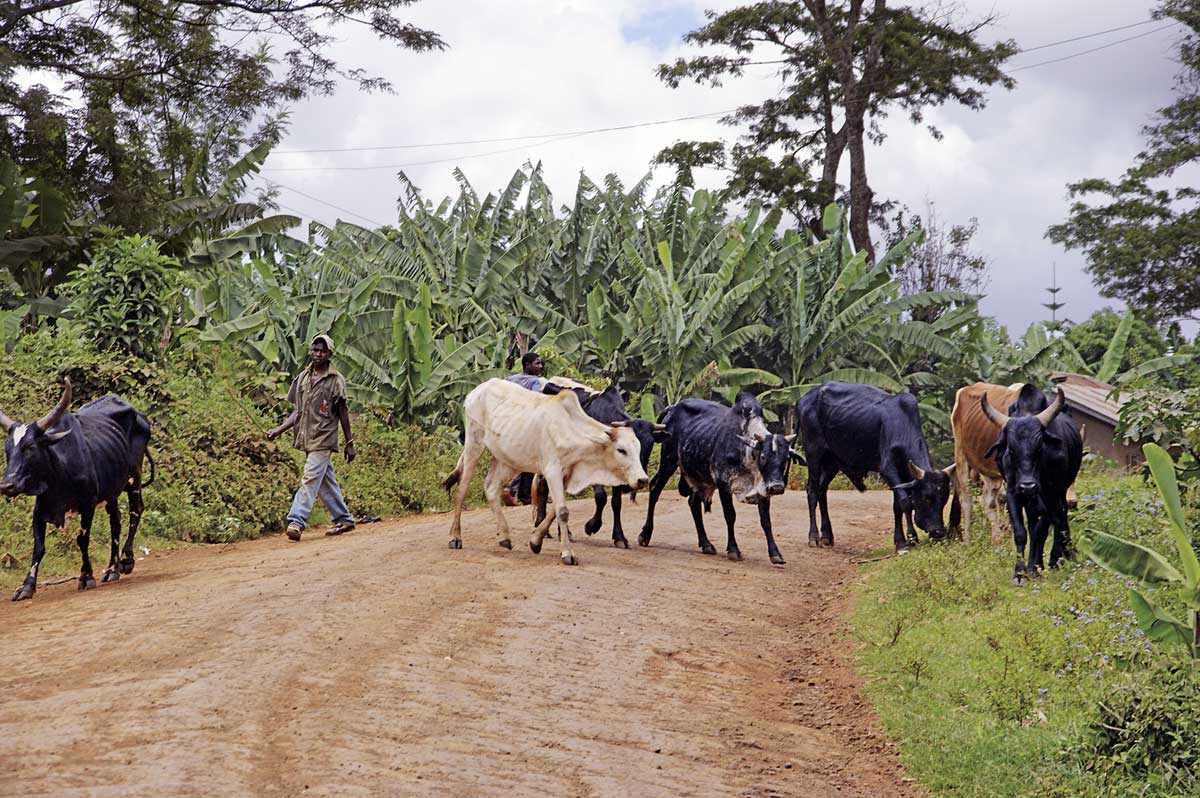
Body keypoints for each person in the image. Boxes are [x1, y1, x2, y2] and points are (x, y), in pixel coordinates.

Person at [267, 334, 357, 541]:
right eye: (315, 350)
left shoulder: (336, 381)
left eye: (322, 351)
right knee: (325, 481)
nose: (318, 354)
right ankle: (343, 518)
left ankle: (296, 521)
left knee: (309, 478)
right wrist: (278, 430)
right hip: (307, 439)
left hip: (324, 439)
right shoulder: (303, 378)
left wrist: (349, 443)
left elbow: (343, 412)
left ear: (329, 354)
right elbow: (297, 412)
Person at [501, 351, 548, 505]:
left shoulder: (510, 379)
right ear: (527, 365)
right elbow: (534, 401)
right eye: (537, 363)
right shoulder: (536, 382)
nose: (540, 367)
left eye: (541, 363)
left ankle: (518, 492)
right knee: (532, 460)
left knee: (517, 459)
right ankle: (520, 493)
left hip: (510, 424)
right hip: (528, 425)